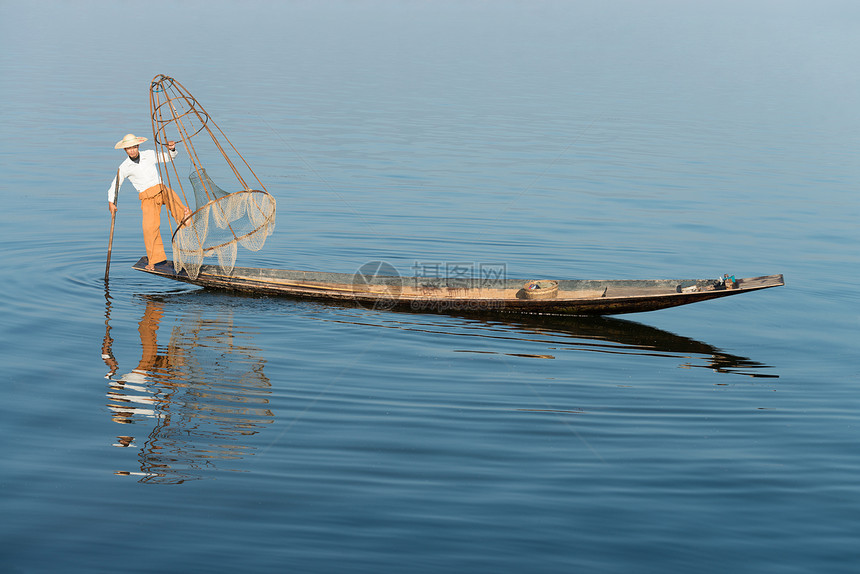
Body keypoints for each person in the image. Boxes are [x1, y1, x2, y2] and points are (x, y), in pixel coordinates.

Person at [108, 133, 191, 270]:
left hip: (161, 189)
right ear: (125, 150)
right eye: (129, 148)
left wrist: (171, 149)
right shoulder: (124, 167)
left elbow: (168, 158)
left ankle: (184, 217)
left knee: (172, 196)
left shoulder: (149, 154)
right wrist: (111, 202)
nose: (132, 150)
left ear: (138, 146)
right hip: (147, 198)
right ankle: (154, 260)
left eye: (134, 147)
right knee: (149, 228)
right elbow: (116, 184)